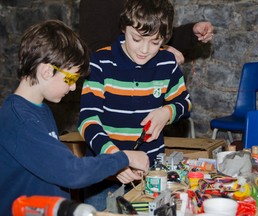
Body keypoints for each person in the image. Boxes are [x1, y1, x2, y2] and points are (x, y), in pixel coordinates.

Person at [0, 19, 149, 216]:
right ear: (46, 71)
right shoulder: (18, 121)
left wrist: (113, 168)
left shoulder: (41, 110)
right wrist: (125, 157)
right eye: (70, 79)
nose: (72, 87)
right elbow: (71, 172)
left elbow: (56, 164)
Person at [78, 0, 192, 210]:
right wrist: (115, 159)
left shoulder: (167, 62)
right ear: (124, 27)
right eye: (137, 39)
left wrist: (167, 112)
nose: (145, 50)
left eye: (155, 42)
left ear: (165, 39)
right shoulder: (100, 62)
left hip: (149, 173)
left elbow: (184, 103)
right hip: (102, 174)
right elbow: (87, 121)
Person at [79, 0, 214, 64]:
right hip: (113, 95)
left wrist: (191, 32)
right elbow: (95, 52)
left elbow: (155, 36)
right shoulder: (96, 3)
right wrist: (160, 54)